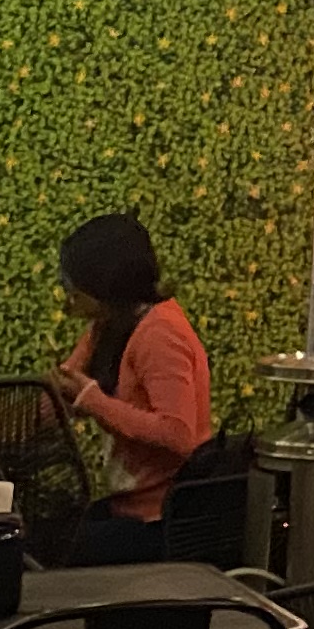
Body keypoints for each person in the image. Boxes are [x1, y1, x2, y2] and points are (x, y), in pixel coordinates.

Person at [48, 211, 213, 563]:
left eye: (73, 286)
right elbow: (65, 387)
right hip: (127, 506)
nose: (68, 296)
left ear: (103, 286)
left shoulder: (160, 333)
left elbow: (178, 434)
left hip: (158, 519)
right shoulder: (108, 325)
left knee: (61, 553)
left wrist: (93, 401)